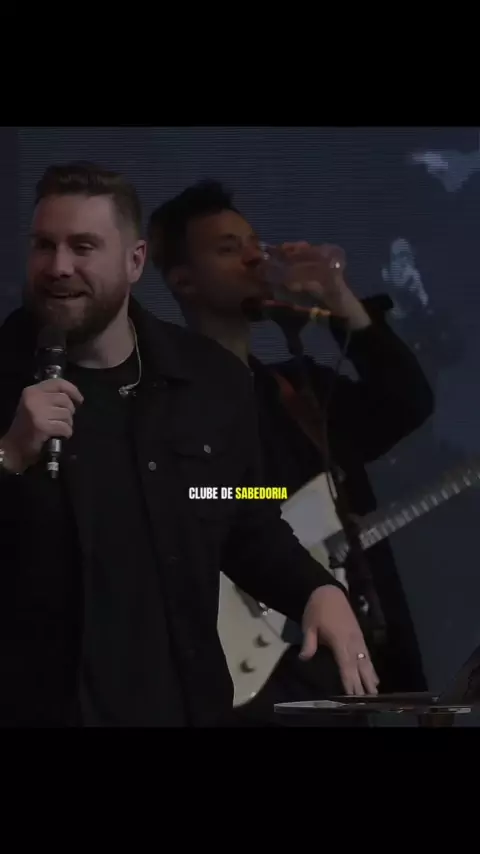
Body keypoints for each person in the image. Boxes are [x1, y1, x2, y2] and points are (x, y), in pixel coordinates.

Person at [0, 161, 378, 728]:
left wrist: (315, 591)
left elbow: (241, 514)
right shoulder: (6, 376)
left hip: (183, 706)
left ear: (134, 261)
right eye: (43, 245)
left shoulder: (210, 380)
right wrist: (8, 455)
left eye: (83, 246)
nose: (58, 266)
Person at [147, 180, 435, 725]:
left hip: (338, 663)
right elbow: (198, 495)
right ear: (182, 279)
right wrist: (276, 496)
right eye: (228, 248)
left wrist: (339, 297)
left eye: (255, 244)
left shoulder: (295, 391)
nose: (254, 257)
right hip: (246, 674)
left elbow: (406, 403)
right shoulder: (164, 400)